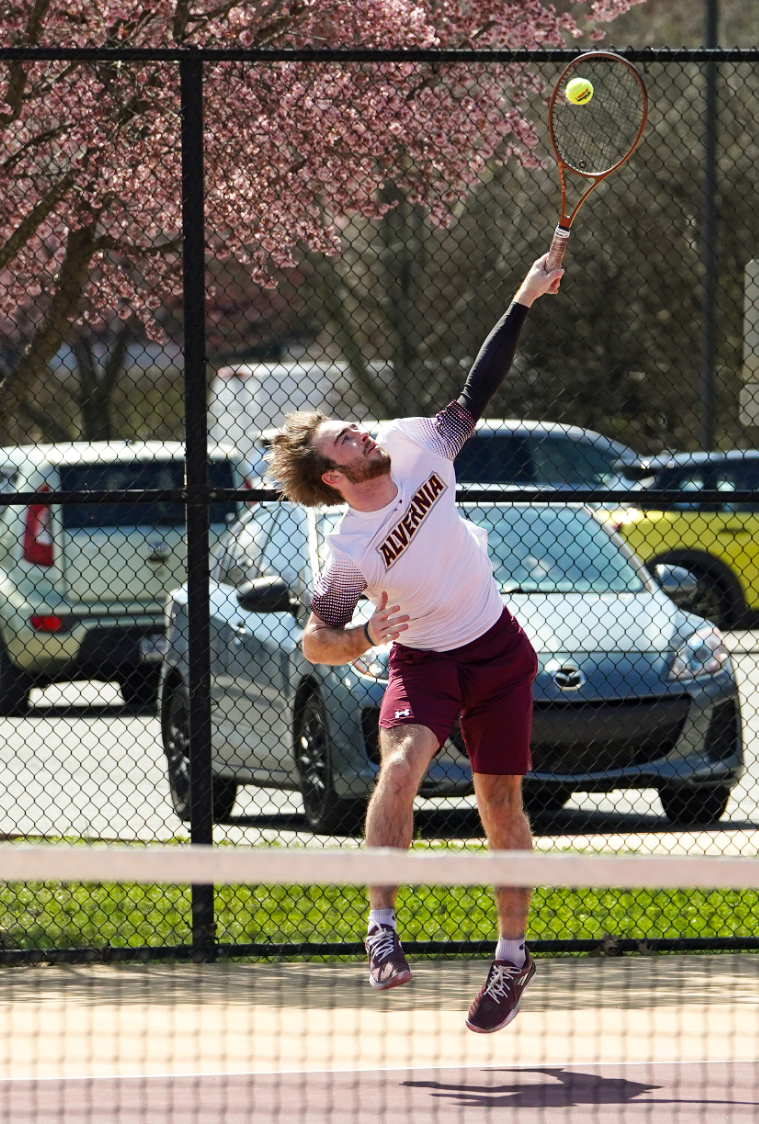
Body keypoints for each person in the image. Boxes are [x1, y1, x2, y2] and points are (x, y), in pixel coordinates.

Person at [265, 253, 560, 1034]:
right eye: (345, 441)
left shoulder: (420, 442)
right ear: (335, 476)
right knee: (398, 769)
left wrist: (523, 295)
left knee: (499, 804)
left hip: (494, 646)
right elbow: (315, 641)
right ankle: (382, 928)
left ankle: (511, 955)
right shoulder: (350, 549)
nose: (361, 432)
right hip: (424, 659)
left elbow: (477, 390)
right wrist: (364, 633)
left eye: (352, 427)